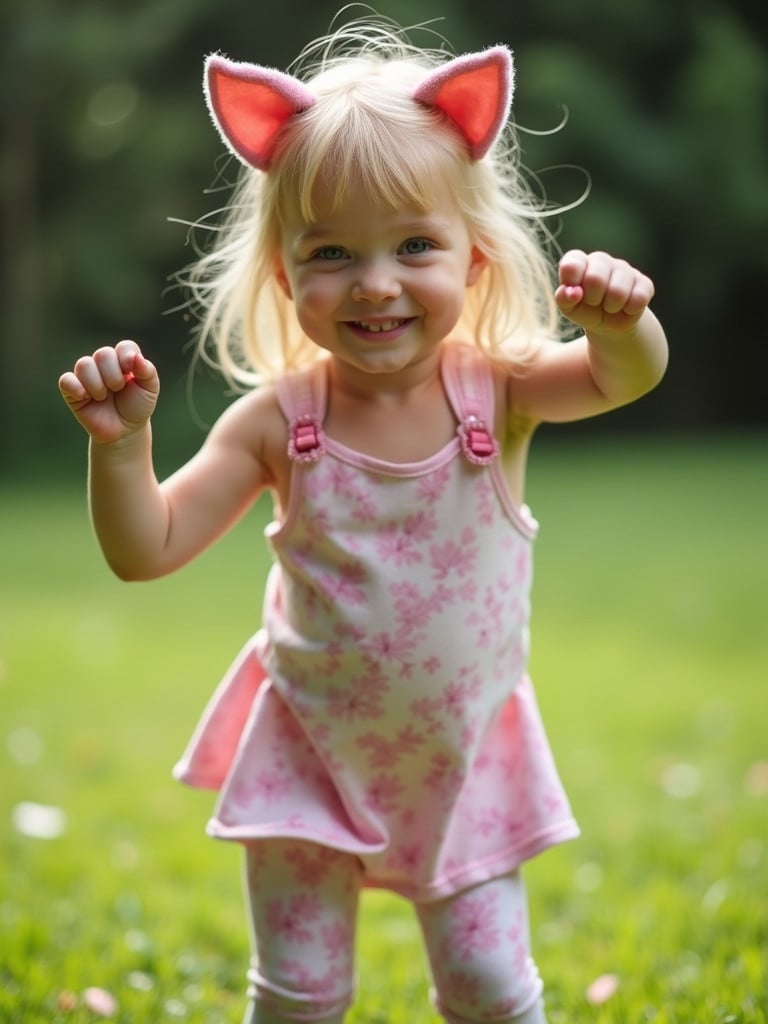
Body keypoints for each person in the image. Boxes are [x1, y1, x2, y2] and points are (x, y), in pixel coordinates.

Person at [58, 17, 668, 1024]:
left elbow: (621, 377)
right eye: (332, 251)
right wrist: (121, 450)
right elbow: (147, 547)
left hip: (465, 759)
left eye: (414, 245)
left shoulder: (501, 393)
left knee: (489, 987)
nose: (375, 282)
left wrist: (624, 322)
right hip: (307, 756)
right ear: (287, 272)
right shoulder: (277, 422)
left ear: (472, 257)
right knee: (299, 992)